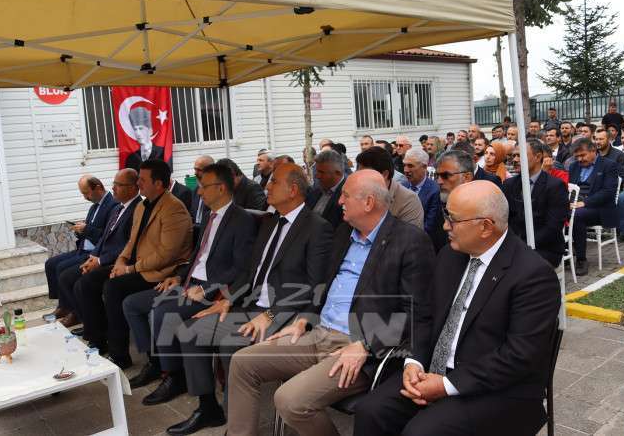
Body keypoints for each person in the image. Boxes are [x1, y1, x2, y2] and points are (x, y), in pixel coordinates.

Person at [228, 170, 435, 436]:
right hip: (319, 333)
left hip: (358, 348)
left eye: (346, 196)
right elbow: (322, 285)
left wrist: (366, 345)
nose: (339, 201)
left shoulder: (410, 241)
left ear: (368, 202)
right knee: (242, 362)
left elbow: (416, 313)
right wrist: (303, 319)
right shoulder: (344, 232)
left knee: (289, 400)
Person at [354, 180, 561, 436]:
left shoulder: (533, 275)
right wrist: (414, 361)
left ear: (485, 227)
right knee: (370, 411)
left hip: (497, 388)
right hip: (434, 370)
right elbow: (425, 316)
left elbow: (519, 356)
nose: (445, 226)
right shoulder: (450, 255)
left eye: (453, 220)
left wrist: (447, 384)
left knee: (421, 432)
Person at [169, 163, 334, 435]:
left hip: (284, 314)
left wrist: (270, 315)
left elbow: (313, 286)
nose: (267, 186)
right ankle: (208, 408)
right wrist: (227, 299)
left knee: (230, 345)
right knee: (189, 331)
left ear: (293, 189)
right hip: (250, 305)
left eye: (274, 182)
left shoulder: (317, 228)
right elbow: (250, 271)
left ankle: (237, 427)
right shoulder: (269, 222)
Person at [122, 163, 257, 411]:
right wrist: (178, 276)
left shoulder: (242, 220)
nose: (199, 191)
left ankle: (174, 376)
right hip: (189, 283)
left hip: (212, 291)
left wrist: (206, 290)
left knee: (162, 313)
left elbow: (241, 268)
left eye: (204, 186)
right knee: (132, 304)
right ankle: (156, 363)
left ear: (221, 188)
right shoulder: (209, 216)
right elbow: (197, 257)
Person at [76, 159, 193, 368]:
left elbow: (166, 255)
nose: (138, 183)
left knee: (113, 287)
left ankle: (120, 355)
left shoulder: (174, 209)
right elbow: (131, 242)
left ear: (158, 183)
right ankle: (98, 340)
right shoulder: (142, 205)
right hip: (138, 266)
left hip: (160, 272)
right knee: (90, 280)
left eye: (143, 180)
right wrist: (120, 262)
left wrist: (128, 269)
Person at [58, 169, 142, 328]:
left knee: (82, 283)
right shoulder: (118, 208)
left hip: (118, 262)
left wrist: (100, 261)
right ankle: (88, 324)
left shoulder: (137, 209)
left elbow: (127, 244)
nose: (113, 188)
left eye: (118, 185)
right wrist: (94, 257)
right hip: (100, 256)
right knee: (69, 276)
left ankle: (96, 331)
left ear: (132, 188)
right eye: (114, 184)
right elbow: (104, 238)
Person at [43, 175, 117, 321]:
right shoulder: (94, 207)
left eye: (86, 193)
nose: (85, 197)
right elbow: (89, 230)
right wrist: (80, 230)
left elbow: (107, 237)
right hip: (82, 248)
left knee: (62, 269)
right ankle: (64, 305)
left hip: (95, 252)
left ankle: (75, 312)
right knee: (51, 264)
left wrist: (86, 229)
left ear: (98, 188)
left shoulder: (113, 206)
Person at [503, 140, 568, 267]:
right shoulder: (509, 184)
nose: (515, 160)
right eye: (513, 156)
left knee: (518, 268)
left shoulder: (554, 186)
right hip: (514, 246)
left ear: (538, 157)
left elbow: (553, 227)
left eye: (520, 155)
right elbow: (505, 219)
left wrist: (523, 246)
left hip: (545, 248)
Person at [569, 138, 619, 276]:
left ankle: (581, 259)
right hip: (576, 204)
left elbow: (608, 192)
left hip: (600, 208)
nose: (579, 159)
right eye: (577, 156)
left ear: (593, 151)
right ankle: (564, 252)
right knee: (556, 212)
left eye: (582, 155)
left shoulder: (608, 165)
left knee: (577, 216)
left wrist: (585, 202)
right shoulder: (574, 166)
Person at [356, 146, 424, 229]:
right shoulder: (359, 195)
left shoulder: (409, 201)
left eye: (365, 175)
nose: (360, 180)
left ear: (384, 174)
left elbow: (410, 236)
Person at [402, 148, 441, 235]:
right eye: (404, 165)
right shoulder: (402, 186)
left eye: (410, 166)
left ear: (424, 167)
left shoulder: (435, 191)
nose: (406, 170)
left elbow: (429, 226)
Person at [306, 149, 346, 228]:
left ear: (338, 173)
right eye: (317, 171)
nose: (317, 176)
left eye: (321, 172)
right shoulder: (315, 191)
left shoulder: (347, 195)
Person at [190, 155, 215, 224]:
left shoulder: (218, 192)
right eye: (195, 169)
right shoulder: (195, 190)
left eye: (199, 170)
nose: (195, 173)